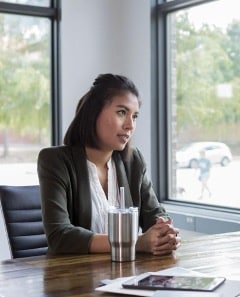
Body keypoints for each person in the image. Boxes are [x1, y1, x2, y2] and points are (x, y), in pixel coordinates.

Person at [37, 73, 181, 255]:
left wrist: (165, 232)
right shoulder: (55, 161)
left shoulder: (132, 160)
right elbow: (60, 237)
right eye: (122, 112)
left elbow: (155, 214)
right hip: (72, 277)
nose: (130, 125)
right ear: (94, 113)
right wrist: (134, 243)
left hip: (125, 275)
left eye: (135, 116)